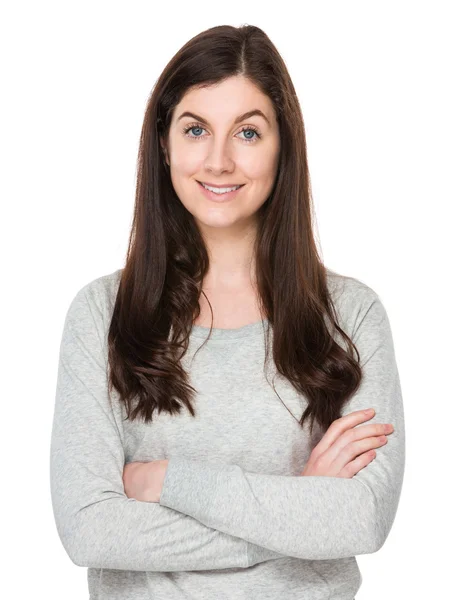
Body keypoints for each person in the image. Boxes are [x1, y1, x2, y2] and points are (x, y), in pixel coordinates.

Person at [50, 24, 405, 600]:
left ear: (282, 146)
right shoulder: (103, 315)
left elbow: (359, 519)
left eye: (247, 131)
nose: (218, 160)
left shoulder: (349, 316)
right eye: (196, 130)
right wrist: (297, 509)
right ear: (164, 143)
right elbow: (89, 529)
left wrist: (166, 481)